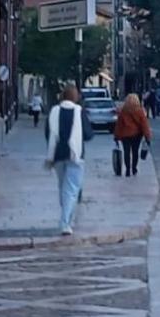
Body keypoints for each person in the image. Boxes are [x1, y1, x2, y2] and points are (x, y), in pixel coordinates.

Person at [44, 84, 93, 234]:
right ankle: (65, 223)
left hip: (58, 154)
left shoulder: (54, 111)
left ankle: (67, 218)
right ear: (75, 96)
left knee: (62, 186)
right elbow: (88, 134)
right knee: (71, 189)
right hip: (76, 155)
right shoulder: (79, 112)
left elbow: (48, 132)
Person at [114, 93, 152, 176]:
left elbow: (119, 125)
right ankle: (134, 168)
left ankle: (127, 169)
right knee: (135, 152)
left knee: (126, 152)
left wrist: (116, 136)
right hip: (137, 135)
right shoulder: (140, 111)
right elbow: (144, 125)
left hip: (125, 135)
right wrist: (147, 137)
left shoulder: (123, 111)